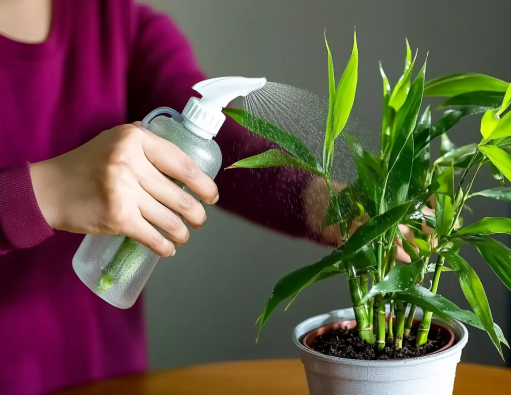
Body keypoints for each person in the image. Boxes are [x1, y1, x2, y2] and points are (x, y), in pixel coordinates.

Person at [0, 1, 421, 394]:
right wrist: (43, 191)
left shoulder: (117, 22)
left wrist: (328, 202)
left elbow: (222, 148)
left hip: (109, 375)